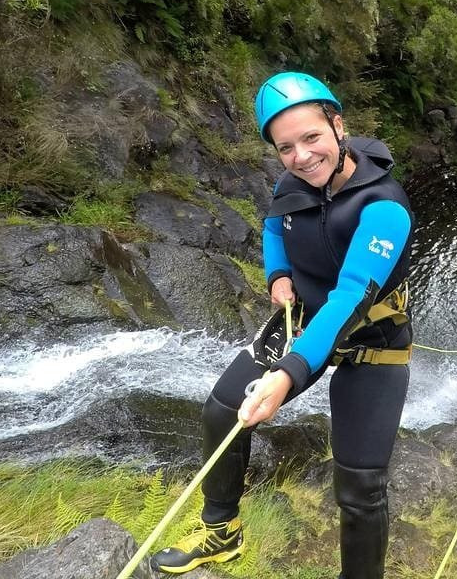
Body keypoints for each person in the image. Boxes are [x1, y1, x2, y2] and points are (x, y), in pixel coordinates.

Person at [150, 72, 415, 579]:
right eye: (286, 147)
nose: (301, 157)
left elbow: (350, 297)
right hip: (305, 320)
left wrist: (289, 372)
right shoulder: (290, 183)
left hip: (371, 340)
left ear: (338, 126)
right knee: (224, 410)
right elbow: (275, 225)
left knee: (360, 487)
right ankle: (221, 532)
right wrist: (278, 275)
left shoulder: (385, 207)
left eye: (312, 137)